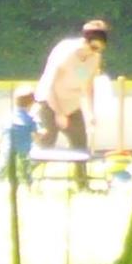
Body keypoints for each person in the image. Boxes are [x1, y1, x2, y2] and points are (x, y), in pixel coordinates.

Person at [30, 17, 112, 161]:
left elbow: (87, 85)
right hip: (49, 103)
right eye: (93, 48)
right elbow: (50, 86)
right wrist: (59, 113)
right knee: (46, 144)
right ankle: (29, 172)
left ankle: (80, 176)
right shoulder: (66, 53)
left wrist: (90, 113)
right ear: (85, 41)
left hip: (72, 105)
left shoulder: (94, 58)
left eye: (100, 49)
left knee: (80, 148)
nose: (95, 52)